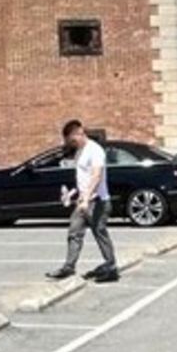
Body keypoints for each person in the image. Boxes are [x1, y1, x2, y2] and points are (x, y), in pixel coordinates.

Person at [47, 119, 118, 283]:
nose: (71, 144)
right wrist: (73, 194)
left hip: (98, 201)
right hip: (83, 201)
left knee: (99, 232)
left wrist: (86, 198)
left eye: (72, 140)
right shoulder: (80, 151)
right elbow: (83, 179)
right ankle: (69, 267)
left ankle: (111, 266)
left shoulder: (95, 150)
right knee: (74, 232)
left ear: (79, 133)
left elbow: (96, 175)